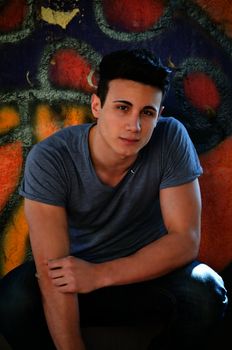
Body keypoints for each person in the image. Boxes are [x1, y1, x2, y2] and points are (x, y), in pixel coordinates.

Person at [0, 49, 228, 350]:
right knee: (13, 299)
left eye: (147, 112)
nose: (134, 126)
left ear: (159, 115)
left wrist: (99, 275)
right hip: (76, 280)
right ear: (97, 105)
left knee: (207, 292)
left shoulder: (171, 137)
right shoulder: (52, 158)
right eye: (122, 107)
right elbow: (53, 268)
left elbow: (185, 240)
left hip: (145, 275)